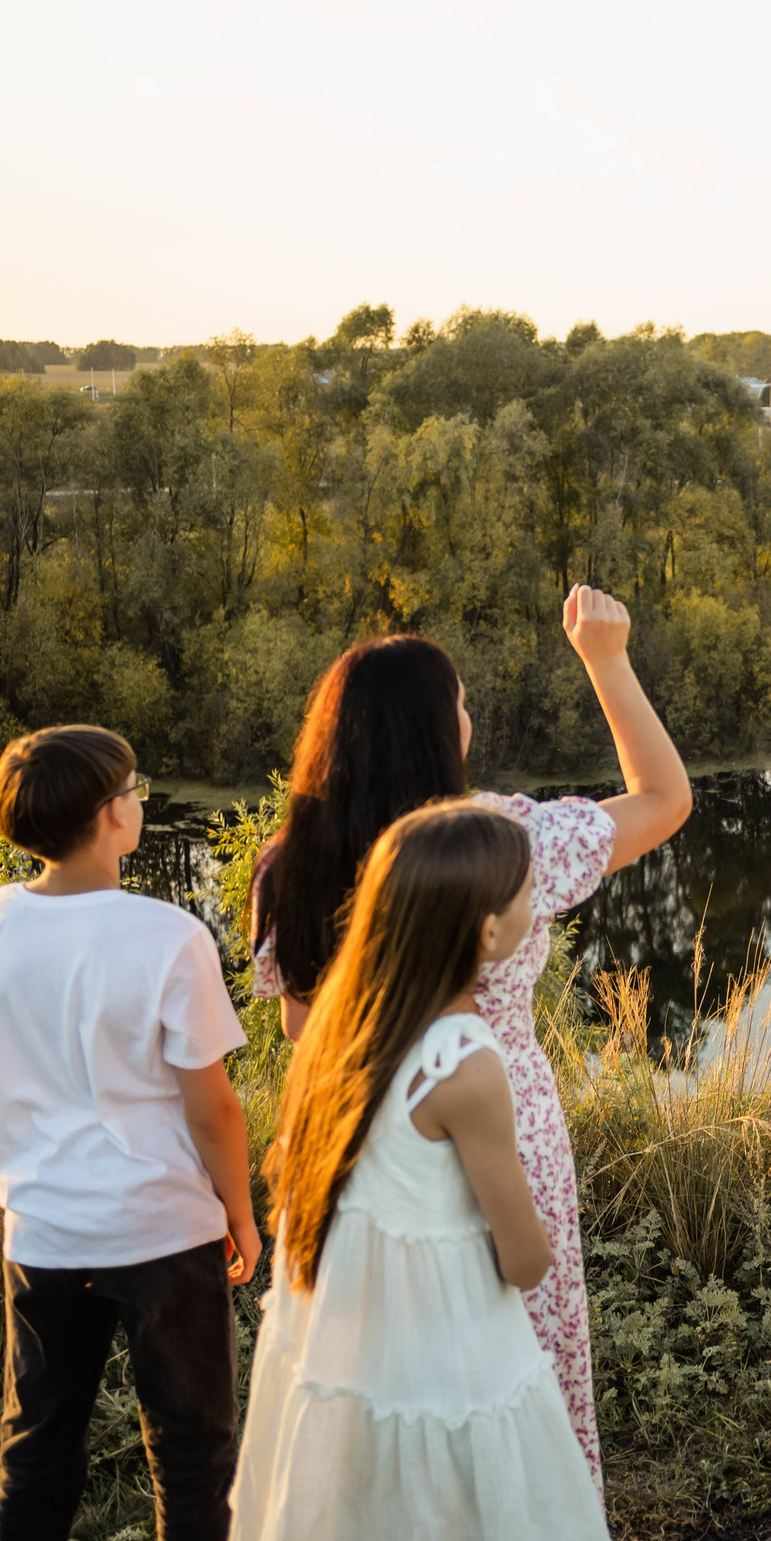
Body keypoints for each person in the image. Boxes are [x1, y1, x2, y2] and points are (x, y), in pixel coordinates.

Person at [247, 585, 689, 1489]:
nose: (469, 714)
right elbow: (664, 797)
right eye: (459, 703)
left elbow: (298, 1022)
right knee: (514, 1352)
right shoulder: (499, 836)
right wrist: (607, 660)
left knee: (389, 1374)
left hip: (353, 1132)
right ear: (434, 733)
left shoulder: (288, 861)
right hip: (498, 1116)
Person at [227, 798, 614, 1541]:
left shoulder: (334, 1031)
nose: (534, 908)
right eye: (525, 898)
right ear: (486, 932)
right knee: (464, 1536)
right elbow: (525, 1259)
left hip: (354, 1352)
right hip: (454, 1350)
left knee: (375, 1536)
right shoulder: (465, 1060)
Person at [0, 725, 256, 1541]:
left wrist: (27, 1181)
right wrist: (240, 1213)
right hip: (162, 1230)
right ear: (108, 815)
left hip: (41, 1231)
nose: (140, 799)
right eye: (134, 788)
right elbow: (214, 1109)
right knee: (193, 1452)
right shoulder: (168, 936)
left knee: (38, 1444)